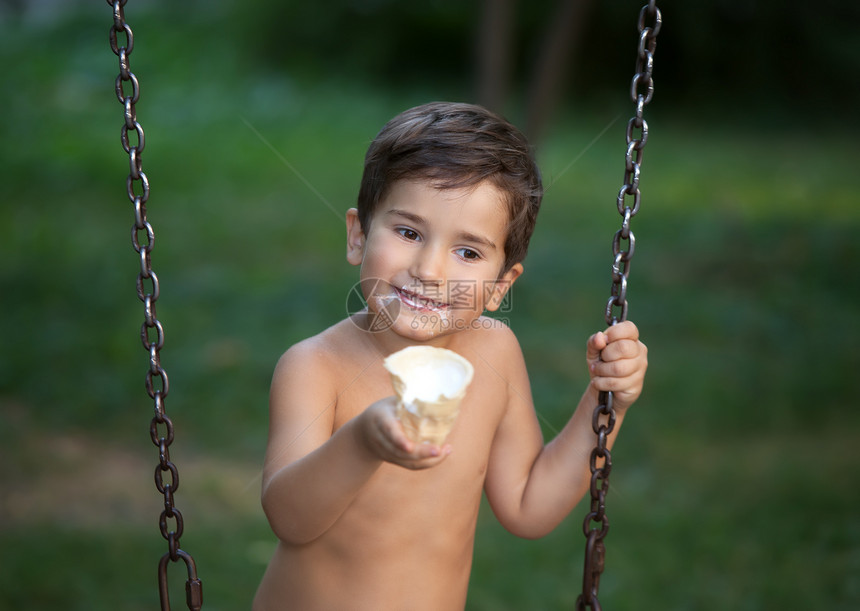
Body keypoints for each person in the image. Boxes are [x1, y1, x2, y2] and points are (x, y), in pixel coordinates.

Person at [253, 102, 648, 610]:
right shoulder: (315, 366)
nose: (430, 268)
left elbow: (529, 506)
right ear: (358, 235)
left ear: (502, 285)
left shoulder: (496, 352)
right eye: (409, 233)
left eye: (468, 252)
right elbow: (289, 518)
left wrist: (606, 403)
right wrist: (363, 442)